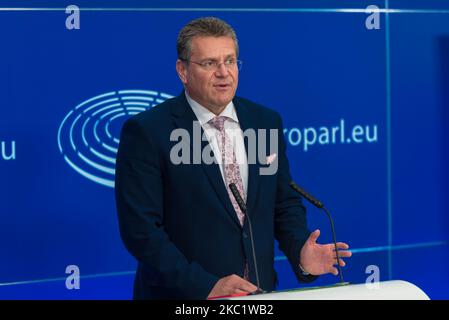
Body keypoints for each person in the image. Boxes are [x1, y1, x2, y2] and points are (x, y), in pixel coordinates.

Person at [115, 16, 351, 300]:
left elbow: (283, 204)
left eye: (230, 61)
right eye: (209, 63)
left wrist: (301, 252)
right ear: (183, 70)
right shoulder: (149, 131)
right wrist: (205, 285)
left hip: (259, 295)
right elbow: (141, 231)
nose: (223, 73)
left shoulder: (264, 122)